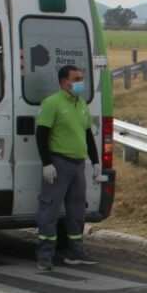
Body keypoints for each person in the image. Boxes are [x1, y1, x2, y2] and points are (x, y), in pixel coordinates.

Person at [35, 64, 101, 270]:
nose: (81, 82)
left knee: (77, 211)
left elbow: (88, 135)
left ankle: (76, 252)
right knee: (50, 210)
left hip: (78, 166)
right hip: (59, 164)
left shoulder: (81, 104)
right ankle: (45, 256)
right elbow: (41, 135)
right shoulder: (52, 103)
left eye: (82, 78)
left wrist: (96, 160)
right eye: (77, 79)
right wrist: (47, 163)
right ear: (64, 82)